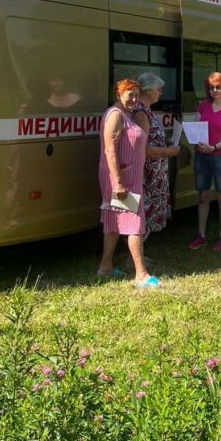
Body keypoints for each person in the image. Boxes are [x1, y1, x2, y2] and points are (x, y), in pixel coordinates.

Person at [97, 78, 160, 289]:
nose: (133, 98)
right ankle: (141, 275)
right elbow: (109, 150)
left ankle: (105, 268)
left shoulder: (126, 114)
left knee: (114, 224)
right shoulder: (115, 115)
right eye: (129, 94)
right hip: (122, 180)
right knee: (135, 224)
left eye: (135, 94)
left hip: (128, 177)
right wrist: (119, 183)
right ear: (117, 94)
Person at [189, 72, 221, 252]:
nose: (215, 90)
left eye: (218, 87)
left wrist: (214, 147)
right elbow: (196, 128)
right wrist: (196, 141)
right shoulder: (203, 106)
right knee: (203, 196)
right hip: (202, 155)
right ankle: (201, 235)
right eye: (211, 88)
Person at [134, 73, 180, 240]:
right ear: (148, 90)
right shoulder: (140, 113)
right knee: (143, 214)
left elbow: (151, 137)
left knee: (148, 214)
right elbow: (143, 148)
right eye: (159, 89)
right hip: (147, 173)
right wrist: (168, 152)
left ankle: (137, 256)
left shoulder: (147, 110)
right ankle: (134, 259)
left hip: (155, 171)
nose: (161, 93)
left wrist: (166, 141)